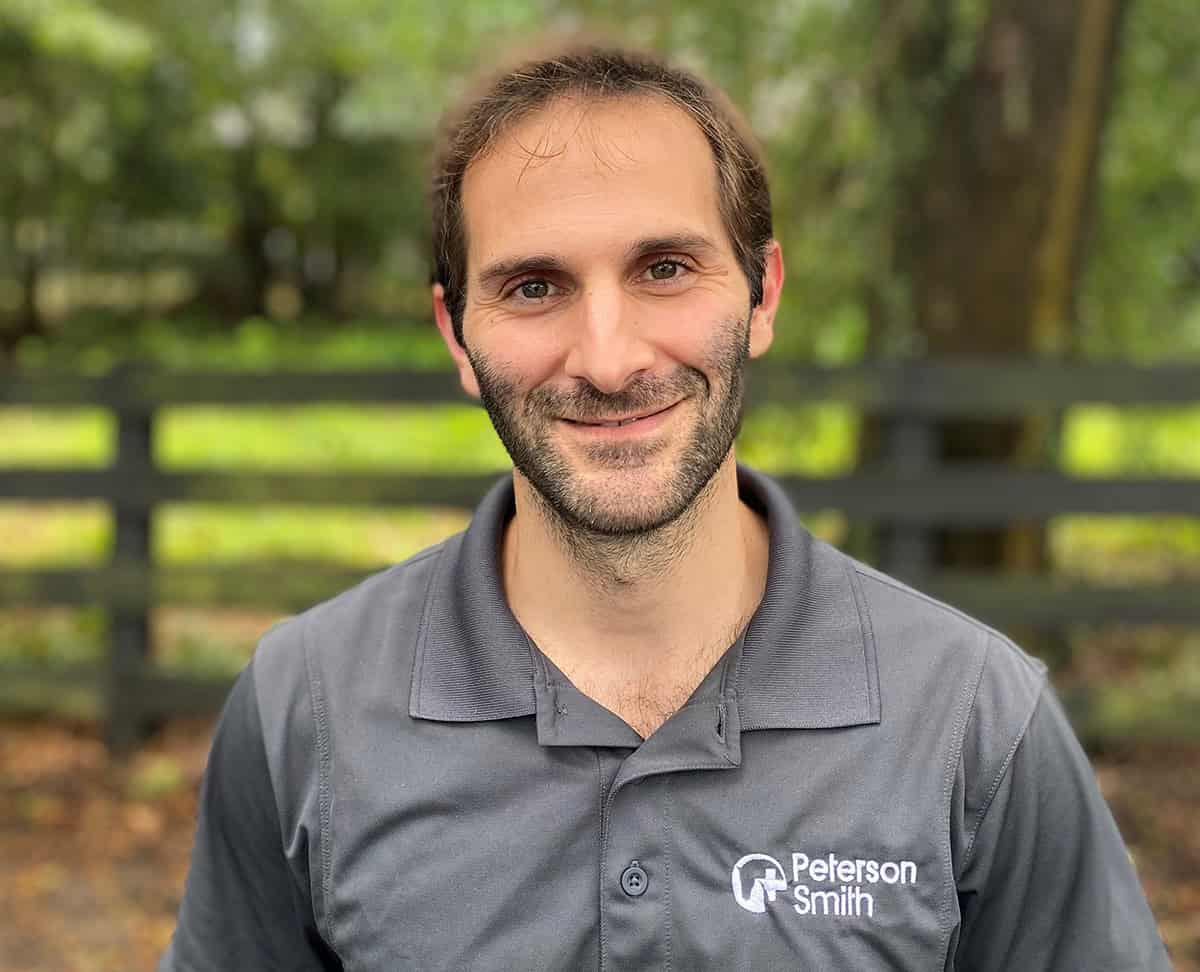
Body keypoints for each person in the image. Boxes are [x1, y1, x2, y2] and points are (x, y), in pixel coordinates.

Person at [160, 42, 1171, 971]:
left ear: (762, 294)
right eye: (532, 288)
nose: (608, 359)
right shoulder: (307, 709)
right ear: (456, 335)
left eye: (666, 269)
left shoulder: (976, 720)